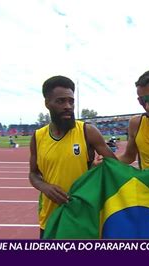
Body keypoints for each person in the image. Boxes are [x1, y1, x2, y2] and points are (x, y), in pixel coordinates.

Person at [28, 75, 116, 238]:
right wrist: (45, 187)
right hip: (50, 219)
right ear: (47, 103)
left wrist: (95, 170)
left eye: (71, 101)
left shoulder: (87, 131)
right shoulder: (38, 137)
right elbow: (33, 174)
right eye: (60, 101)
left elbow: (115, 167)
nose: (68, 106)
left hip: (83, 219)